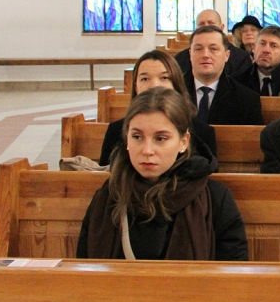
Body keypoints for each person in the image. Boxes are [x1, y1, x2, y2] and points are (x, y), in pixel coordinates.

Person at [76, 88, 248, 261]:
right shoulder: (108, 196)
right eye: (137, 136)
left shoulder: (215, 198)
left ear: (183, 142)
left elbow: (234, 277)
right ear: (126, 138)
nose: (147, 150)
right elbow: (84, 274)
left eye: (160, 138)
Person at [99, 51, 217, 167]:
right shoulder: (116, 131)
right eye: (145, 79)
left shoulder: (202, 133)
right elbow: (107, 178)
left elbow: (207, 182)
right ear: (136, 87)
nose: (155, 85)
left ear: (176, 85)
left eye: (164, 78)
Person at [184, 25, 264, 126]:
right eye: (199, 49)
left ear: (226, 56)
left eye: (213, 49)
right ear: (190, 54)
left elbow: (253, 139)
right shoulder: (172, 91)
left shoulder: (247, 99)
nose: (205, 55)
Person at [174, 9, 251, 77]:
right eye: (201, 24)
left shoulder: (241, 58)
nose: (206, 27)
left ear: (222, 27)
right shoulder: (181, 58)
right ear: (196, 29)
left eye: (211, 23)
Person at [232, 25, 280, 96]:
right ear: (254, 48)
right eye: (262, 44)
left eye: (274, 46)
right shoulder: (237, 81)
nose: (266, 50)